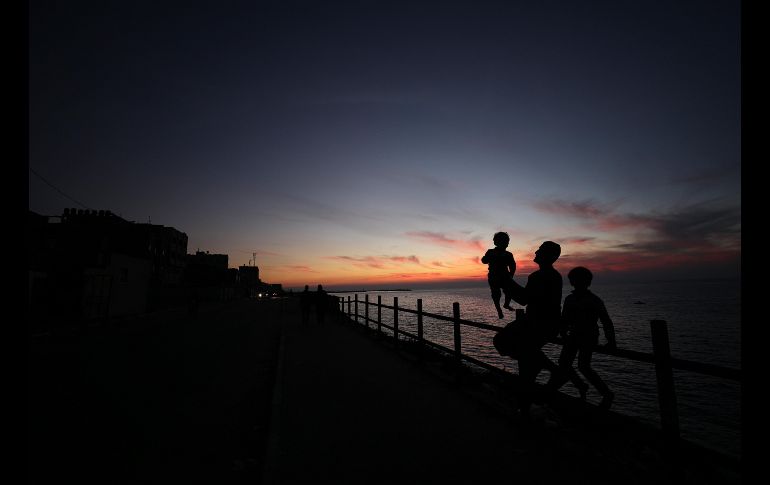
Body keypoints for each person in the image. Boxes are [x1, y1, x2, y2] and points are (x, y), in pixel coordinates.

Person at [508, 241, 585, 421]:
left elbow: (524, 299)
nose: (535, 251)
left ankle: (551, 374)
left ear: (549, 256)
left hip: (540, 324)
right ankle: (527, 408)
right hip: (542, 323)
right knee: (526, 365)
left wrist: (506, 281)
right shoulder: (549, 276)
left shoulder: (542, 276)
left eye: (540, 250)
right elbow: (526, 299)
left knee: (519, 357)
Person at [549, 266, 616, 408]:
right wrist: (562, 331)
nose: (576, 283)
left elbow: (605, 321)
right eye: (574, 280)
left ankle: (604, 392)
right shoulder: (572, 299)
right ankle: (583, 386)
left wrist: (611, 341)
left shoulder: (592, 300)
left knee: (583, 366)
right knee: (566, 363)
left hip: (588, 336)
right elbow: (565, 319)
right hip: (574, 335)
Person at [481, 232, 517, 319]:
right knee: (496, 293)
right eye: (505, 242)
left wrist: (511, 275)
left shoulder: (508, 254)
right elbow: (484, 261)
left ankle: (506, 304)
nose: (507, 244)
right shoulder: (491, 252)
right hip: (494, 276)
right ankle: (499, 310)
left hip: (505, 276)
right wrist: (485, 258)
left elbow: (513, 265)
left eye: (507, 242)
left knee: (508, 291)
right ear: (496, 242)